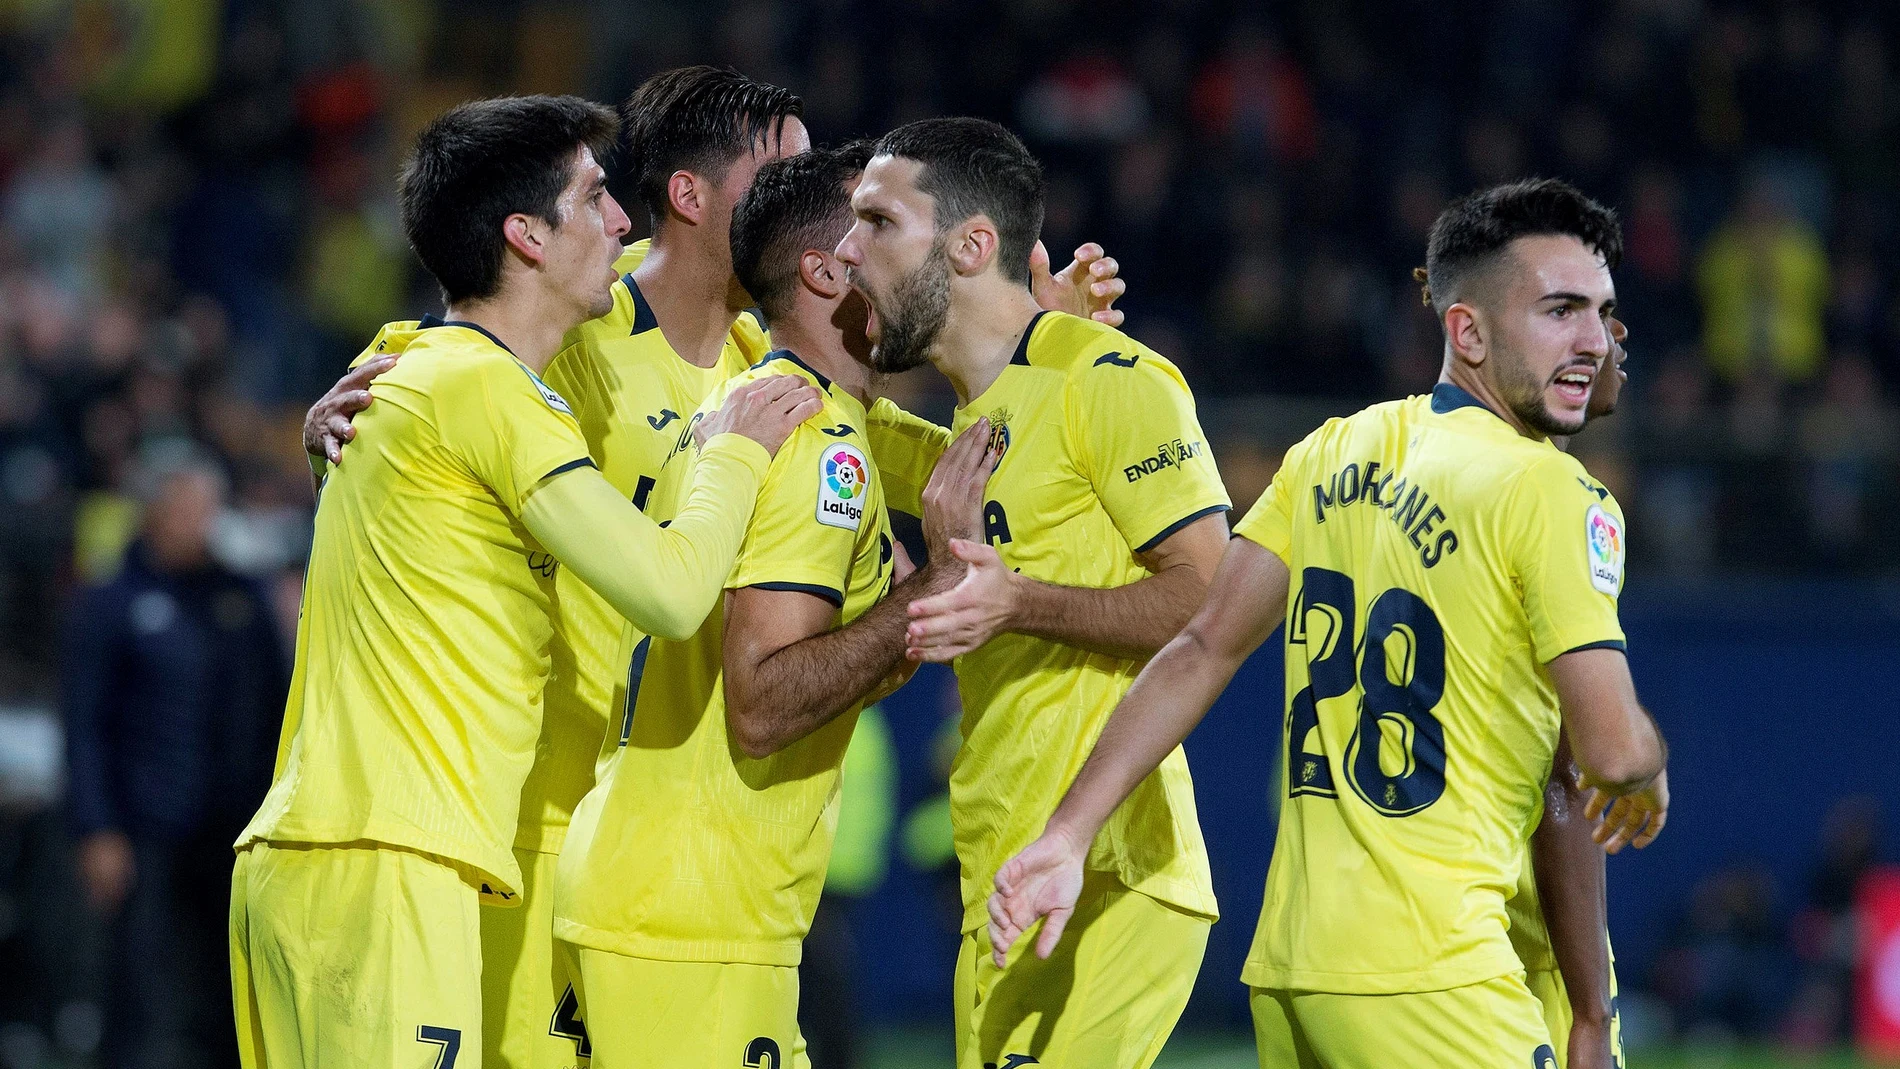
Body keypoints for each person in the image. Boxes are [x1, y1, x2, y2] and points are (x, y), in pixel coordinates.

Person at [298, 70, 1129, 1069]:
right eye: (787, 168)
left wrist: (1041, 344)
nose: (827, 200)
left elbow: (962, 456)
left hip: (627, 836)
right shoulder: (574, 328)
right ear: (693, 197)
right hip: (513, 822)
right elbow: (438, 363)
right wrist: (338, 421)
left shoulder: (772, 368)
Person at [986, 178, 1671, 1069]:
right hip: (1438, 975)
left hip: (1295, 971)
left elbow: (1200, 647)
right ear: (1466, 331)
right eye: (1560, 311)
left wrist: (1068, 832)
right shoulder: (1554, 493)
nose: (1592, 341)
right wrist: (1649, 768)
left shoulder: (1329, 451)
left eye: (1605, 315)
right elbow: (1608, 756)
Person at [228, 94, 822, 1069]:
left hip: (344, 855)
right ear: (526, 237)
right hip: (386, 859)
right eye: (593, 199)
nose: (621, 220)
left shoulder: (425, 379)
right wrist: (731, 451)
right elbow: (672, 594)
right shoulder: (478, 384)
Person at [553, 142, 1000, 1068]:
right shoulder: (813, 440)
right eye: (876, 226)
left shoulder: (793, 411)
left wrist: (1048, 340)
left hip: (692, 907)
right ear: (826, 269)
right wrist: (925, 593)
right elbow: (760, 702)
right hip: (689, 916)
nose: (917, 254)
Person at [838, 118, 1232, 1069]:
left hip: (1108, 878)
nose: (849, 250)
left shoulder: (1113, 379)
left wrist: (1020, 601)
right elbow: (849, 416)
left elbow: (1214, 602)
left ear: (972, 245)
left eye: (878, 222)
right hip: (1004, 879)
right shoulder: (984, 420)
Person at [63, 448, 286, 1069]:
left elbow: (276, 707)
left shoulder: (240, 598)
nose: (201, 523)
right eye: (188, 509)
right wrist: (96, 827)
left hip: (234, 830)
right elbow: (83, 726)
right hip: (143, 830)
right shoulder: (108, 602)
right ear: (152, 511)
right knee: (139, 992)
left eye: (209, 509)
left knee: (229, 990)